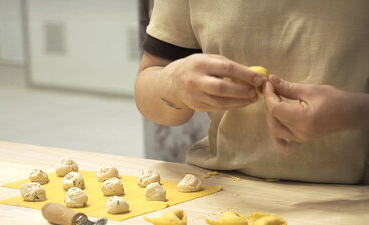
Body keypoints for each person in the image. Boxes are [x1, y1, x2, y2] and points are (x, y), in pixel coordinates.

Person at [134, 0, 369, 184]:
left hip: (353, 196)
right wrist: (173, 84)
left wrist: (354, 112)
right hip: (224, 187)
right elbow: (148, 86)